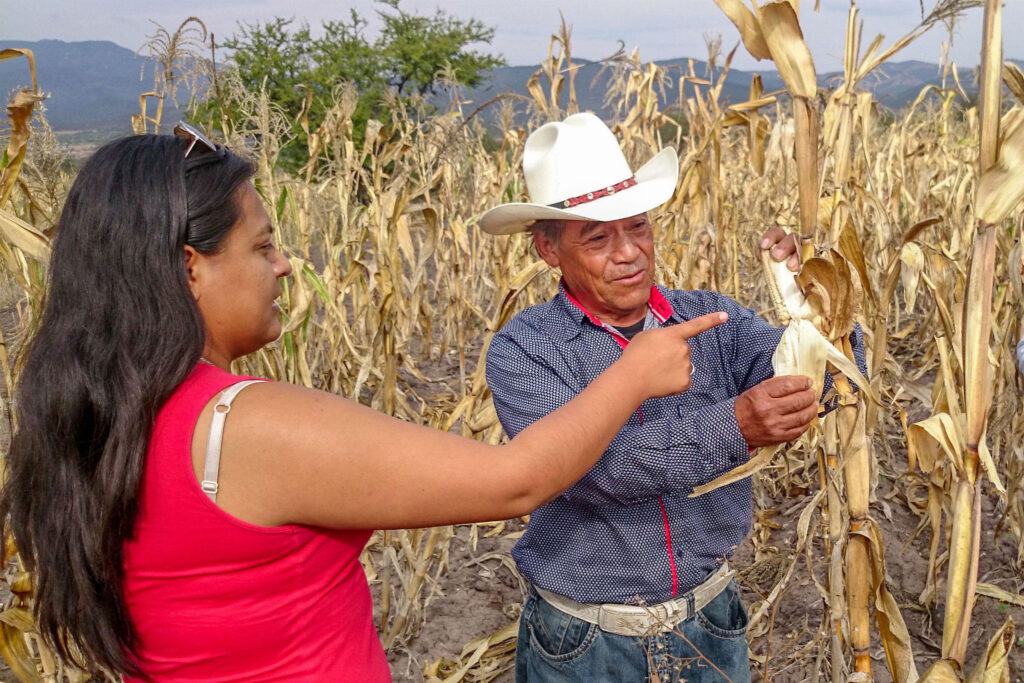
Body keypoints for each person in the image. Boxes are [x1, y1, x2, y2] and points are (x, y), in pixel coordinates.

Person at [0, 124, 729, 682]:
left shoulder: (99, 419)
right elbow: (517, 480)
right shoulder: (245, 426)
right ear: (192, 268)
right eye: (262, 247)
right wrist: (633, 375)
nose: (284, 264)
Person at [479, 112, 864, 683]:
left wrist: (819, 305)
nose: (629, 252)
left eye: (637, 227)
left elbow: (819, 383)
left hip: (709, 621)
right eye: (598, 237)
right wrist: (735, 425)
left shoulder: (713, 318)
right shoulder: (526, 351)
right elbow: (599, 471)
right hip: (586, 640)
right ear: (548, 250)